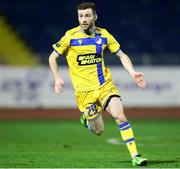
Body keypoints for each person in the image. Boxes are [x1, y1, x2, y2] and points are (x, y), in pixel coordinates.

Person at [49, 2, 148, 167]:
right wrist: (58, 78)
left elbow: (122, 55)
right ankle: (87, 121)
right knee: (99, 131)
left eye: (87, 15)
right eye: (81, 16)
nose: (84, 19)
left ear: (95, 16)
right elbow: (52, 57)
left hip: (104, 86)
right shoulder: (70, 36)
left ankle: (135, 156)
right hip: (84, 92)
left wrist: (133, 73)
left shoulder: (104, 35)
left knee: (119, 116)